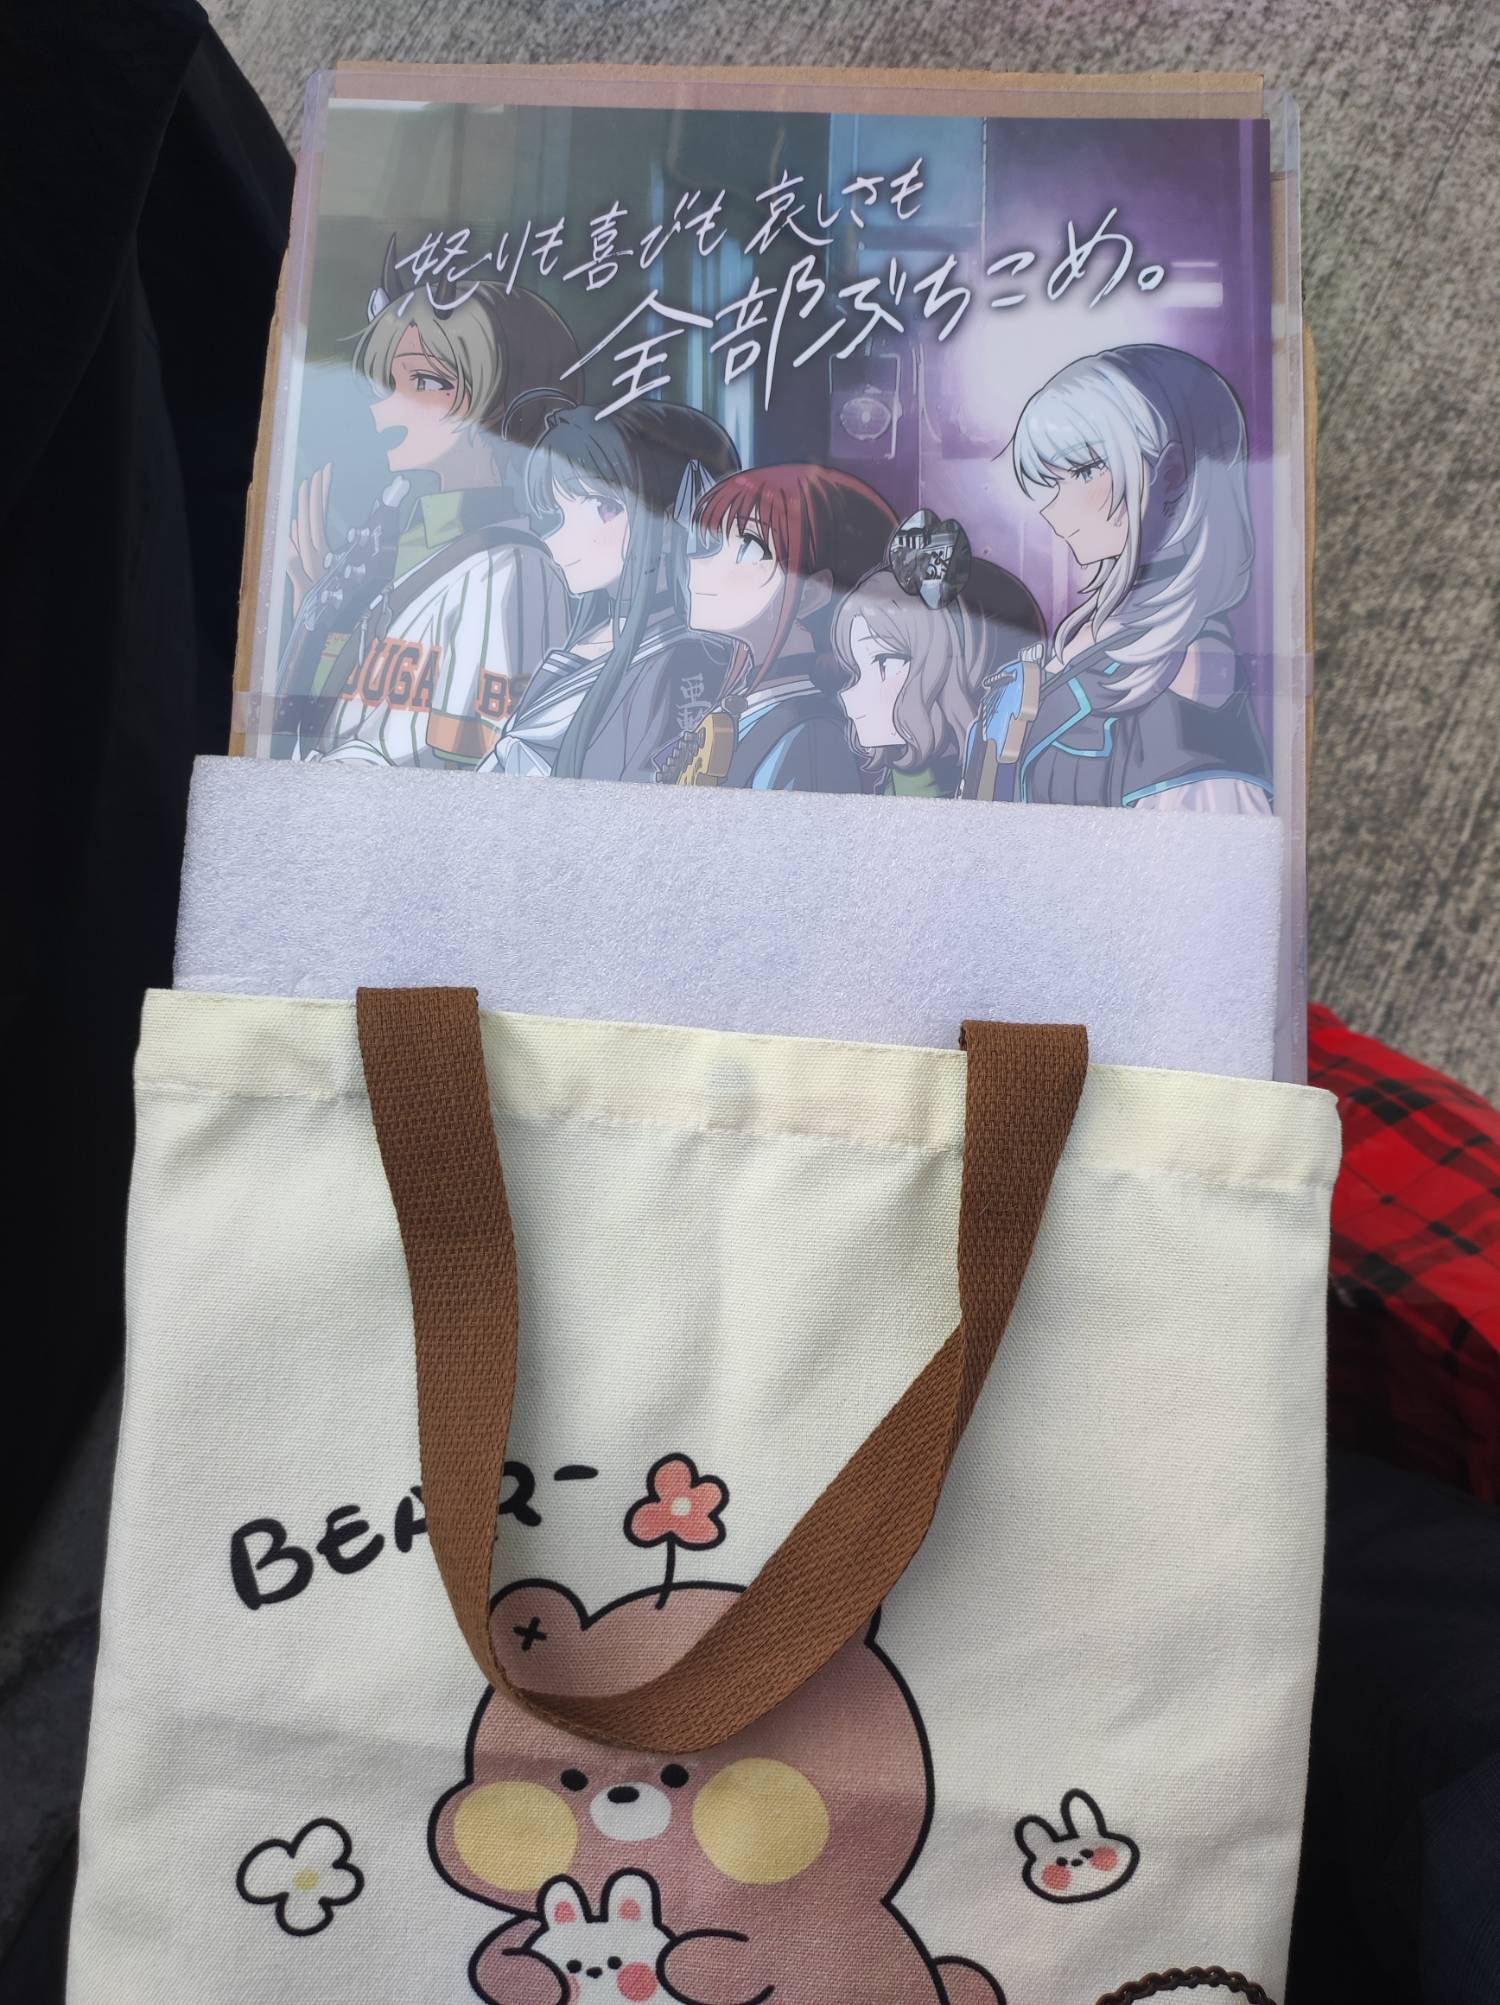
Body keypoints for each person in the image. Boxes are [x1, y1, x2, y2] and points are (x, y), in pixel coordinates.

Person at [278, 239, 577, 767]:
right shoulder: (400, 543)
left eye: (424, 382)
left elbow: (478, 772)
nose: (385, 410)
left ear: (502, 401)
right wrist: (318, 616)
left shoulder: (514, 571)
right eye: (386, 384)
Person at [1007, 343, 1273, 812]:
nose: (1052, 508)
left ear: (1172, 477)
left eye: (1084, 471)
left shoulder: (1193, 675)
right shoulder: (1104, 637)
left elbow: (1210, 842)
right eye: (1050, 481)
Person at [486, 400, 739, 784]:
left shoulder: (687, 660)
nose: (561, 534)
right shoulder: (589, 637)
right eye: (556, 511)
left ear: (675, 518)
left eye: (604, 506)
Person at [667, 464, 896, 791]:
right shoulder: (753, 705)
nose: (699, 564)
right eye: (708, 544)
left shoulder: (812, 734)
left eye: (748, 549)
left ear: (812, 593)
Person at [833, 532, 1044, 799]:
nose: (847, 695)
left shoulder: (1003, 787)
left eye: (883, 661)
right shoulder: (903, 783)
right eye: (856, 669)